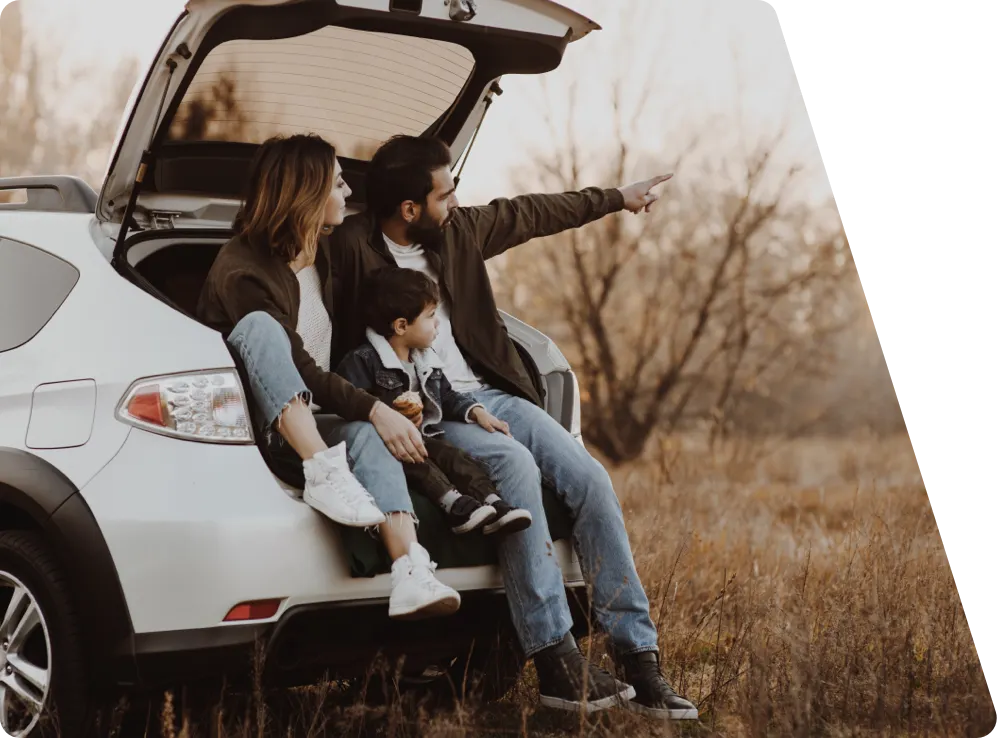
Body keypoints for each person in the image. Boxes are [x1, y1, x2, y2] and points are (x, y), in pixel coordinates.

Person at [326, 135, 699, 719]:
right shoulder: (349, 248)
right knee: (516, 468)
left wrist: (616, 199)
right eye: (445, 195)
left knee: (591, 479)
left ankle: (639, 658)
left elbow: (531, 212)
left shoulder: (457, 232)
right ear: (408, 210)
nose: (456, 202)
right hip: (429, 410)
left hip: (494, 395)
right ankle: (554, 657)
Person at [195, 133, 461, 621]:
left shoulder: (323, 257)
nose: (347, 195)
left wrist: (388, 396)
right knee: (262, 328)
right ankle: (323, 471)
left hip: (322, 419)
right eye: (338, 184)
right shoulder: (242, 269)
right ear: (308, 193)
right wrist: (375, 407)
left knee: (366, 434)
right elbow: (301, 367)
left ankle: (410, 569)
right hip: (267, 428)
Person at [335, 265, 534, 537]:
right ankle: (454, 505)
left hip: (423, 436)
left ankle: (493, 503)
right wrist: (390, 414)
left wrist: (477, 412)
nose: (438, 324)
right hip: (391, 445)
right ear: (402, 325)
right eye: (430, 316)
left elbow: (447, 395)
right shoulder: (363, 361)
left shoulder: (424, 360)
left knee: (455, 457)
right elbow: (351, 404)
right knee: (419, 463)